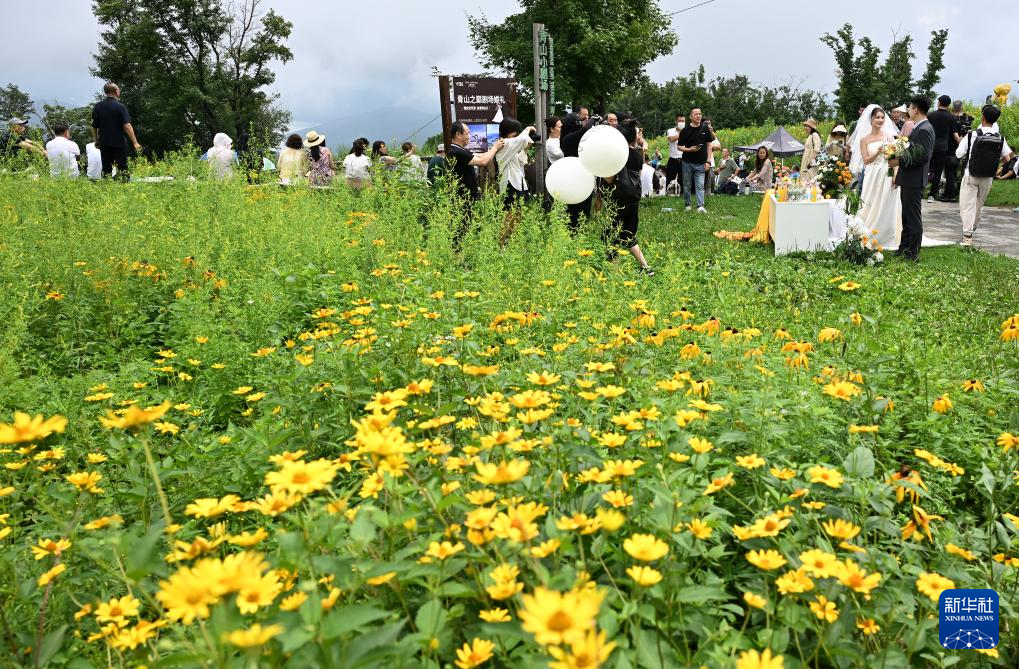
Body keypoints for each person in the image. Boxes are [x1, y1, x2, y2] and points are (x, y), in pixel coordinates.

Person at [956, 105, 1013, 246]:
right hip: (987, 177)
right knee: (979, 205)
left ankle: (967, 236)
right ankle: (972, 229)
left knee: (967, 205)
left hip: (971, 174)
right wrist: (995, 162)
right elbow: (1008, 157)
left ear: (982, 117)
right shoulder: (1000, 137)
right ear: (995, 121)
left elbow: (958, 154)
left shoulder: (972, 134)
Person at [602, 119, 653, 275]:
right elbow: (638, 175)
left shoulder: (618, 154)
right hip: (634, 198)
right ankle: (646, 267)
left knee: (609, 235)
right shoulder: (638, 155)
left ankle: (615, 273)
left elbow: (610, 179)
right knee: (628, 234)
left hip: (618, 198)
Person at [888, 95, 934, 262]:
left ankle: (912, 252)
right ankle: (904, 246)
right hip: (909, 178)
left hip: (914, 179)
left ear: (916, 109)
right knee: (906, 216)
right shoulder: (919, 127)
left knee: (913, 217)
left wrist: (898, 160)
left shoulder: (924, 129)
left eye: (909, 107)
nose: (907, 110)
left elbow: (923, 156)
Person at [853, 105, 902, 250]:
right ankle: (869, 231)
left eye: (882, 117)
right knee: (871, 203)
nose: (880, 120)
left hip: (887, 173)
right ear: (871, 120)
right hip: (872, 175)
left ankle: (888, 234)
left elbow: (895, 157)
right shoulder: (864, 139)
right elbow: (866, 160)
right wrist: (877, 152)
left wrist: (896, 175)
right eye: (877, 117)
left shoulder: (888, 136)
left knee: (888, 203)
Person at [91, 83, 141, 180]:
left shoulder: (98, 106)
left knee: (106, 168)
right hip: (119, 143)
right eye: (119, 89)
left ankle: (107, 188)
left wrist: (96, 141)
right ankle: (124, 187)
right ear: (116, 92)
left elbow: (94, 126)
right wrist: (135, 142)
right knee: (122, 167)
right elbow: (127, 125)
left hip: (104, 143)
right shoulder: (120, 106)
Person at [559, 112, 595, 230]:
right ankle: (573, 231)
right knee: (575, 207)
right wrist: (591, 120)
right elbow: (584, 129)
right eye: (578, 122)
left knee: (584, 207)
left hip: (582, 175)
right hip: (574, 177)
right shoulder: (568, 139)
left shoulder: (578, 139)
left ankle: (580, 231)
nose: (580, 124)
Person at [676, 108, 715, 213]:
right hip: (687, 162)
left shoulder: (705, 129)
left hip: (701, 163)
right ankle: (687, 205)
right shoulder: (685, 130)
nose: (698, 116)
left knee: (700, 185)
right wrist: (689, 149)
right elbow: (679, 147)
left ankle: (700, 206)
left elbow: (709, 145)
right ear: (691, 117)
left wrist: (708, 161)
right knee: (687, 185)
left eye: (700, 114)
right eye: (696, 114)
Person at [495, 118, 535, 209]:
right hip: (510, 184)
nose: (516, 135)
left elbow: (521, 162)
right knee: (510, 216)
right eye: (515, 133)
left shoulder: (511, 145)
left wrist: (525, 149)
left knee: (518, 215)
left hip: (517, 182)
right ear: (508, 132)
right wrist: (528, 129)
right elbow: (522, 139)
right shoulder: (503, 143)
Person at [926, 95, 955, 202]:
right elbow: (954, 134)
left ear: (938, 103)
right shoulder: (951, 117)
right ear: (949, 104)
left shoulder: (930, 115)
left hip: (930, 145)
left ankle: (919, 191)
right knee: (938, 172)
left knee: (925, 169)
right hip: (943, 147)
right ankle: (932, 195)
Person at [664, 114, 686, 194]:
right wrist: (682, 133)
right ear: (676, 121)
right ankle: (668, 193)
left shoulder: (688, 130)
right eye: (679, 121)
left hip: (684, 158)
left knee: (683, 178)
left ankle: (682, 194)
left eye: (683, 121)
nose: (681, 123)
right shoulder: (670, 130)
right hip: (673, 158)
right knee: (670, 178)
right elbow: (671, 139)